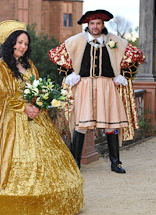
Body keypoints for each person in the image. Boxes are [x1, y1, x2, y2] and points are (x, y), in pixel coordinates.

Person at [0, 20, 84, 215]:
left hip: (35, 118)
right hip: (9, 123)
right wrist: (22, 107)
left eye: (25, 43)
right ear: (9, 43)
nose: (22, 47)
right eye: (18, 42)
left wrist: (40, 101)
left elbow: (36, 88)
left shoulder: (29, 65)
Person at [48, 10, 145, 173]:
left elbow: (136, 55)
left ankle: (116, 163)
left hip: (107, 86)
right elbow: (57, 55)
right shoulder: (77, 40)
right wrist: (69, 73)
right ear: (88, 25)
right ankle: (76, 163)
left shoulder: (114, 40)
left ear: (103, 25)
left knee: (111, 124)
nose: (95, 27)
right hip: (84, 86)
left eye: (98, 23)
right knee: (81, 124)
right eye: (92, 24)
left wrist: (124, 75)